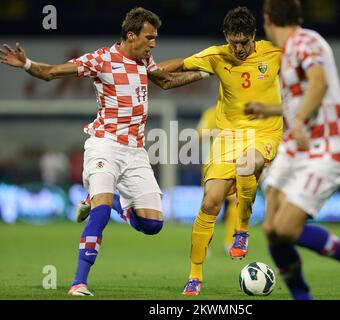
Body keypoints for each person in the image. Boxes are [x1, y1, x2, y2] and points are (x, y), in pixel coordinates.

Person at [0, 7, 208, 297]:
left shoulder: (144, 59)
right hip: (104, 145)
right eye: (149, 37)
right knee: (98, 212)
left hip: (135, 152)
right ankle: (78, 282)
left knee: (152, 224)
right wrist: (26, 64)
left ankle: (114, 202)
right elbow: (51, 73)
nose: (153, 44)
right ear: (131, 35)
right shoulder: (102, 60)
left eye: (156, 38)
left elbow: (166, 81)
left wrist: (204, 71)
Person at [245, 0, 340, 300]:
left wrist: (301, 121)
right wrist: (267, 109)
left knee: (287, 228)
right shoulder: (289, 51)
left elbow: (319, 82)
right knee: (271, 229)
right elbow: (298, 100)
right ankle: (303, 297)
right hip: (296, 148)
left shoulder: (307, 41)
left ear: (267, 20)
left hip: (325, 147)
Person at [160, 6, 283, 295]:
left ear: (254, 36)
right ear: (226, 37)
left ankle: (241, 230)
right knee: (209, 202)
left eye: (244, 42)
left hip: (265, 132)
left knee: (248, 163)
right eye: (233, 42)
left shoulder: (274, 53)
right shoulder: (217, 55)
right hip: (228, 136)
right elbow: (181, 65)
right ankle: (195, 275)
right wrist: (147, 68)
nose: (238, 48)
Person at [197, 106, 238, 254]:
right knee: (209, 204)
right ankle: (203, 243)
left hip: (234, 163)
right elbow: (200, 133)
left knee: (235, 202)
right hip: (214, 164)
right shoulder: (211, 113)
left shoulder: (239, 111)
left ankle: (229, 242)